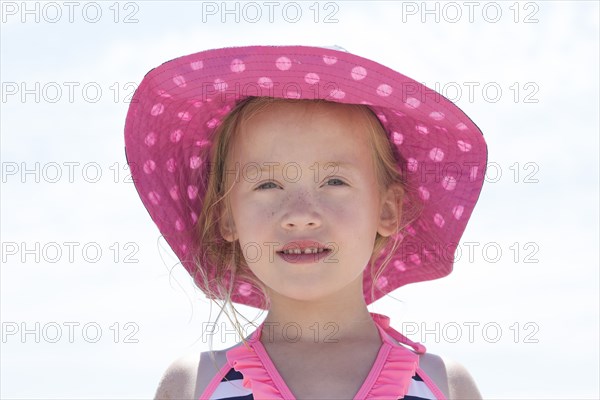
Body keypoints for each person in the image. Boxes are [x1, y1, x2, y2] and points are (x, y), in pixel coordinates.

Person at [124, 45, 488, 399]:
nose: (300, 215)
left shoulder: (444, 385)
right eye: (267, 184)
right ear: (226, 216)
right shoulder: (194, 386)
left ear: (387, 210)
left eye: (334, 182)